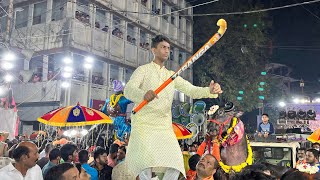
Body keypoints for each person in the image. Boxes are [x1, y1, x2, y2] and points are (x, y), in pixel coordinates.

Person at [124, 35, 223, 179]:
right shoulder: (143, 70)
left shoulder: (172, 76)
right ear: (153, 50)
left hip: (164, 125)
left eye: (168, 48)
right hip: (144, 124)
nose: (166, 51)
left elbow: (192, 90)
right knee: (144, 163)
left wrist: (209, 91)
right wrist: (143, 94)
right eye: (163, 47)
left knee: (175, 163)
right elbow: (128, 90)